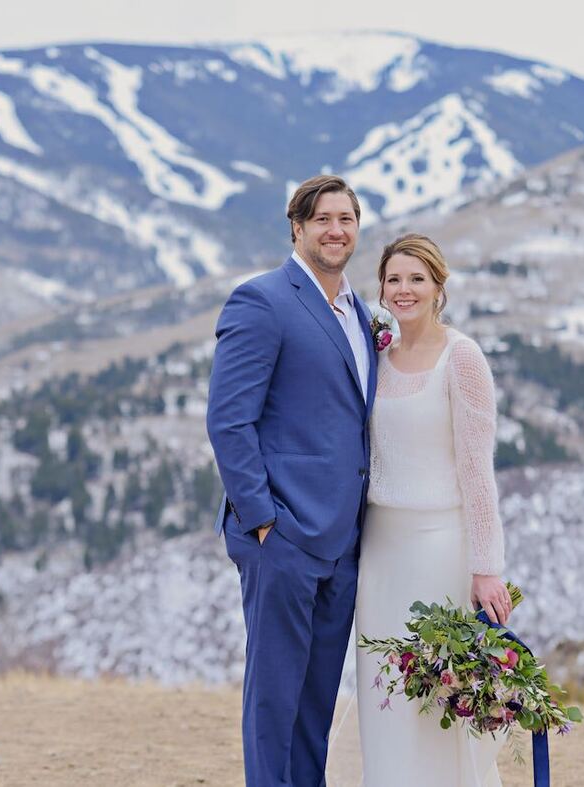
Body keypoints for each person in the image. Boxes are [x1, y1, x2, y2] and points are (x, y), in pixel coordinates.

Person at [207, 174, 378, 787]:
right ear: (297, 228)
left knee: (316, 707)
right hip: (281, 538)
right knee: (275, 701)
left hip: (343, 541)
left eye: (347, 219)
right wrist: (261, 521)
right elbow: (229, 420)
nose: (336, 230)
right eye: (323, 219)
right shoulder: (263, 301)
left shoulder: (361, 314)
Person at [355, 233, 511, 786]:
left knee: (437, 693)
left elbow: (477, 471)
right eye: (394, 279)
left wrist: (486, 566)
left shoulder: (461, 357)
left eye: (416, 279)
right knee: (384, 693)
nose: (404, 290)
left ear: (438, 287)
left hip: (438, 547)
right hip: (380, 549)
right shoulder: (376, 356)